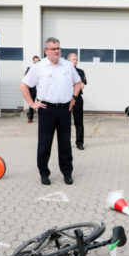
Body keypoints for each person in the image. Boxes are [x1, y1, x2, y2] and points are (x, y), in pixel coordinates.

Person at [20, 38, 83, 185]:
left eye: (58, 48)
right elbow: (23, 85)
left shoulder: (67, 66)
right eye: (53, 49)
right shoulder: (38, 67)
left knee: (65, 144)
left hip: (64, 110)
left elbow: (78, 82)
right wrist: (31, 103)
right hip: (46, 110)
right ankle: (44, 173)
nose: (57, 51)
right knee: (44, 144)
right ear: (46, 51)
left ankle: (67, 173)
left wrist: (74, 98)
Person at [67, 52, 87, 150]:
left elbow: (82, 84)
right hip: (66, 99)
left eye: (76, 59)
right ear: (68, 60)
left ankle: (79, 142)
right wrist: (75, 85)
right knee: (65, 123)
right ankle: (65, 143)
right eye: (73, 59)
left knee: (79, 122)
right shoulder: (64, 71)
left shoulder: (80, 71)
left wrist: (75, 87)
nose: (75, 61)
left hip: (77, 98)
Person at [25, 55, 41, 123]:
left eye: (38, 61)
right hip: (33, 88)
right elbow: (26, 78)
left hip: (40, 89)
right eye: (35, 61)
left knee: (40, 103)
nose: (37, 62)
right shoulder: (29, 68)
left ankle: (41, 118)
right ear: (33, 61)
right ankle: (30, 118)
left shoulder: (42, 68)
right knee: (31, 103)